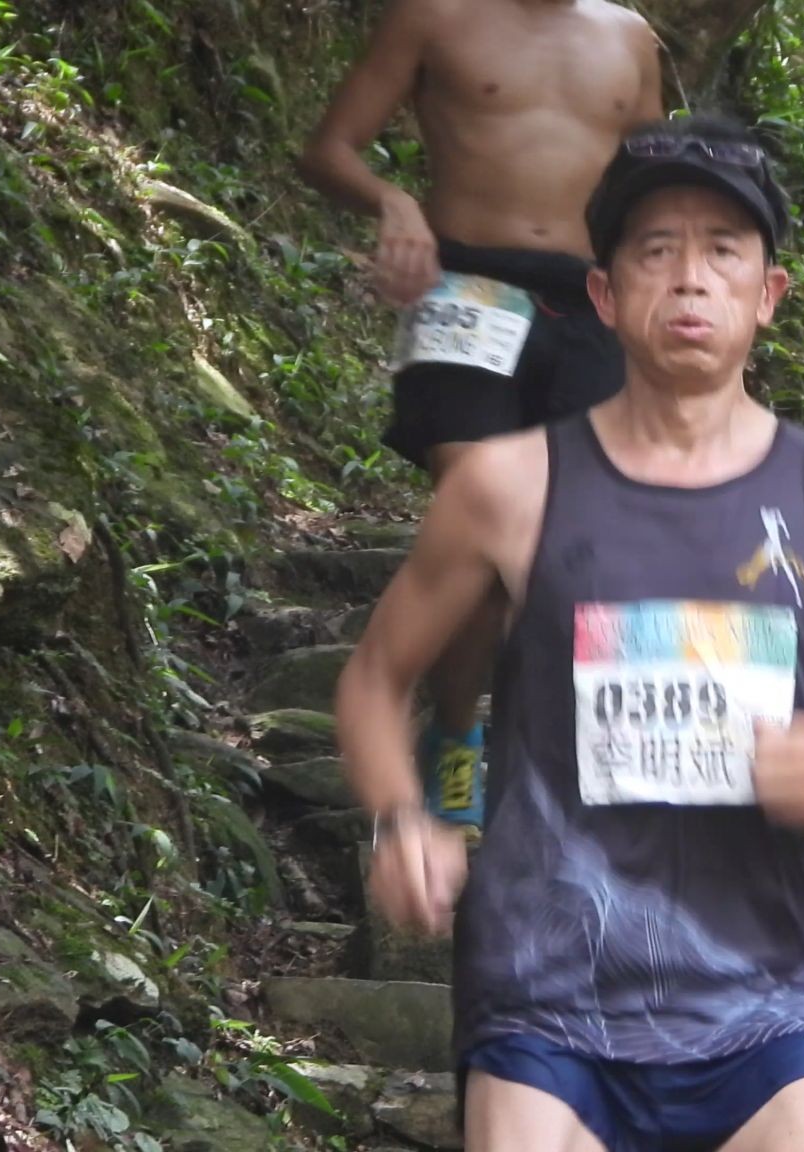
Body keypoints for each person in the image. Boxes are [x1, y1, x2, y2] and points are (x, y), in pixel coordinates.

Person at [333, 115, 804, 1151]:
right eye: (655, 250)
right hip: (545, 993)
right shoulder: (506, 486)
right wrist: (399, 818)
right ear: (604, 296)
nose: (690, 279)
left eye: (723, 250)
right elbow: (376, 678)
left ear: (768, 294)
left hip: (771, 992)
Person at [298, 0, 665, 831]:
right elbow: (327, 149)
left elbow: (656, 183)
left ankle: (556, 752)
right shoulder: (437, 15)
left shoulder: (629, 36)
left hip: (594, 306)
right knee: (486, 521)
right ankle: (458, 736)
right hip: (466, 288)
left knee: (582, 539)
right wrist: (394, 201)